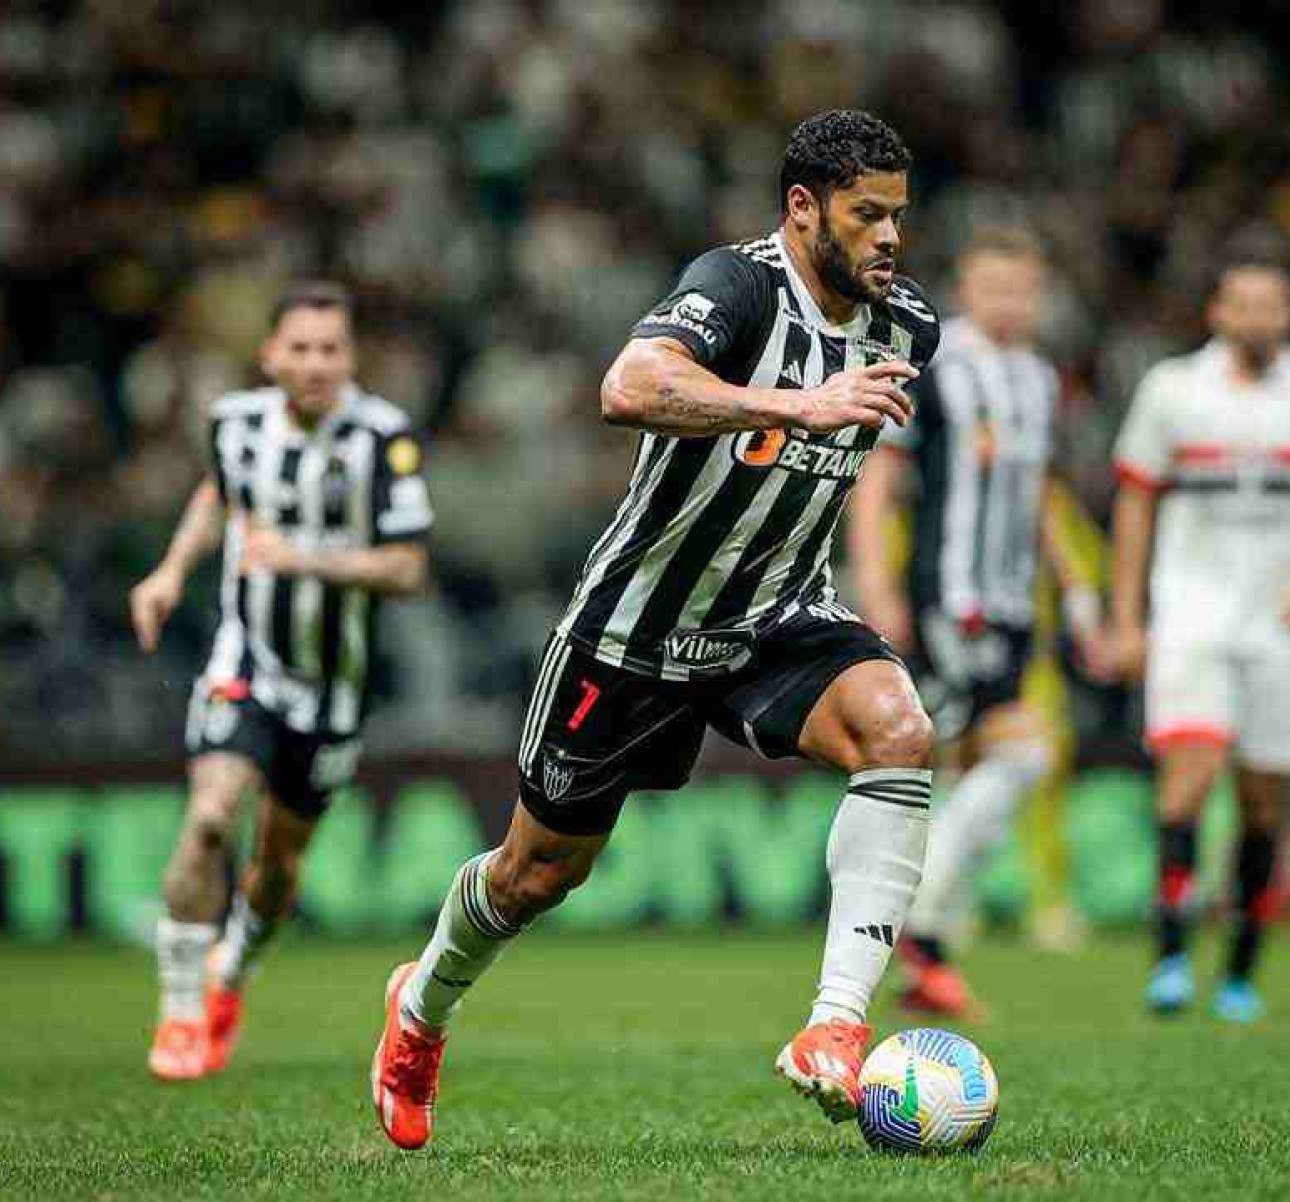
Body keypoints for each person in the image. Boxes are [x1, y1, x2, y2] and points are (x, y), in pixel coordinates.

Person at [369, 110, 943, 1150]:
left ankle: (836, 1023)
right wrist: (797, 405)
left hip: (778, 611)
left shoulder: (909, 327)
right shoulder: (735, 285)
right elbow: (628, 385)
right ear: (804, 207)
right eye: (868, 216)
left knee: (899, 730)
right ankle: (421, 1008)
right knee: (535, 874)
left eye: (899, 216)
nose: (891, 238)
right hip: (638, 625)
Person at [129, 281, 433, 1079]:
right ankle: (182, 1011)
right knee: (207, 820)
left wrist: (307, 558)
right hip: (246, 665)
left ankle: (232, 977)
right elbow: (217, 496)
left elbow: (407, 567)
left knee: (277, 865)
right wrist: (168, 572)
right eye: (299, 348)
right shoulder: (234, 425)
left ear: (351, 356)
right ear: (269, 355)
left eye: (330, 348)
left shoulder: (382, 438)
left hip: (333, 689)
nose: (315, 363)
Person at [1104, 259, 1290, 1023]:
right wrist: (1129, 617)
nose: (1257, 318)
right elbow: (1134, 505)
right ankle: (1170, 954)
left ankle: (1242, 968)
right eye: (1243, 304)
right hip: (1191, 610)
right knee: (1189, 774)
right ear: (1217, 311)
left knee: (1262, 802)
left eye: (1272, 305)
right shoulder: (1172, 389)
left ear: (1289, 314)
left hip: (1283, 619)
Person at [844, 225, 1100, 1019]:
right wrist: (876, 581)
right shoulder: (935, 360)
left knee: (959, 774)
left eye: (1022, 289)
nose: (1010, 303)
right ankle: (917, 931)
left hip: (1017, 604)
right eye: (994, 288)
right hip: (953, 601)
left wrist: (1081, 594)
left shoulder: (1036, 379)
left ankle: (924, 947)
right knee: (1017, 755)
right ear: (966, 288)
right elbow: (879, 475)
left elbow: (1040, 498)